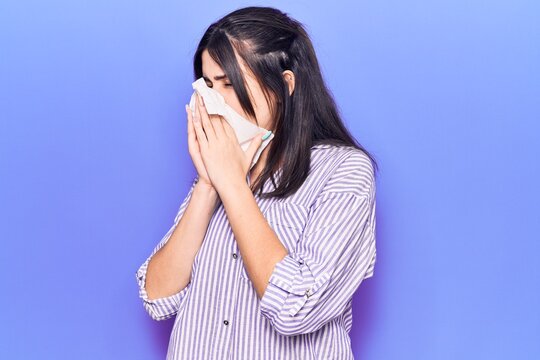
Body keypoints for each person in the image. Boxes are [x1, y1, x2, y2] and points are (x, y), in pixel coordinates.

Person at [135, 6, 379, 360]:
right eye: (208, 84)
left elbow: (296, 308)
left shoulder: (344, 172)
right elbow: (157, 297)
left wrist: (231, 185)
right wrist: (208, 183)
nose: (214, 101)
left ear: (285, 85)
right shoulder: (218, 172)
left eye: (230, 84)